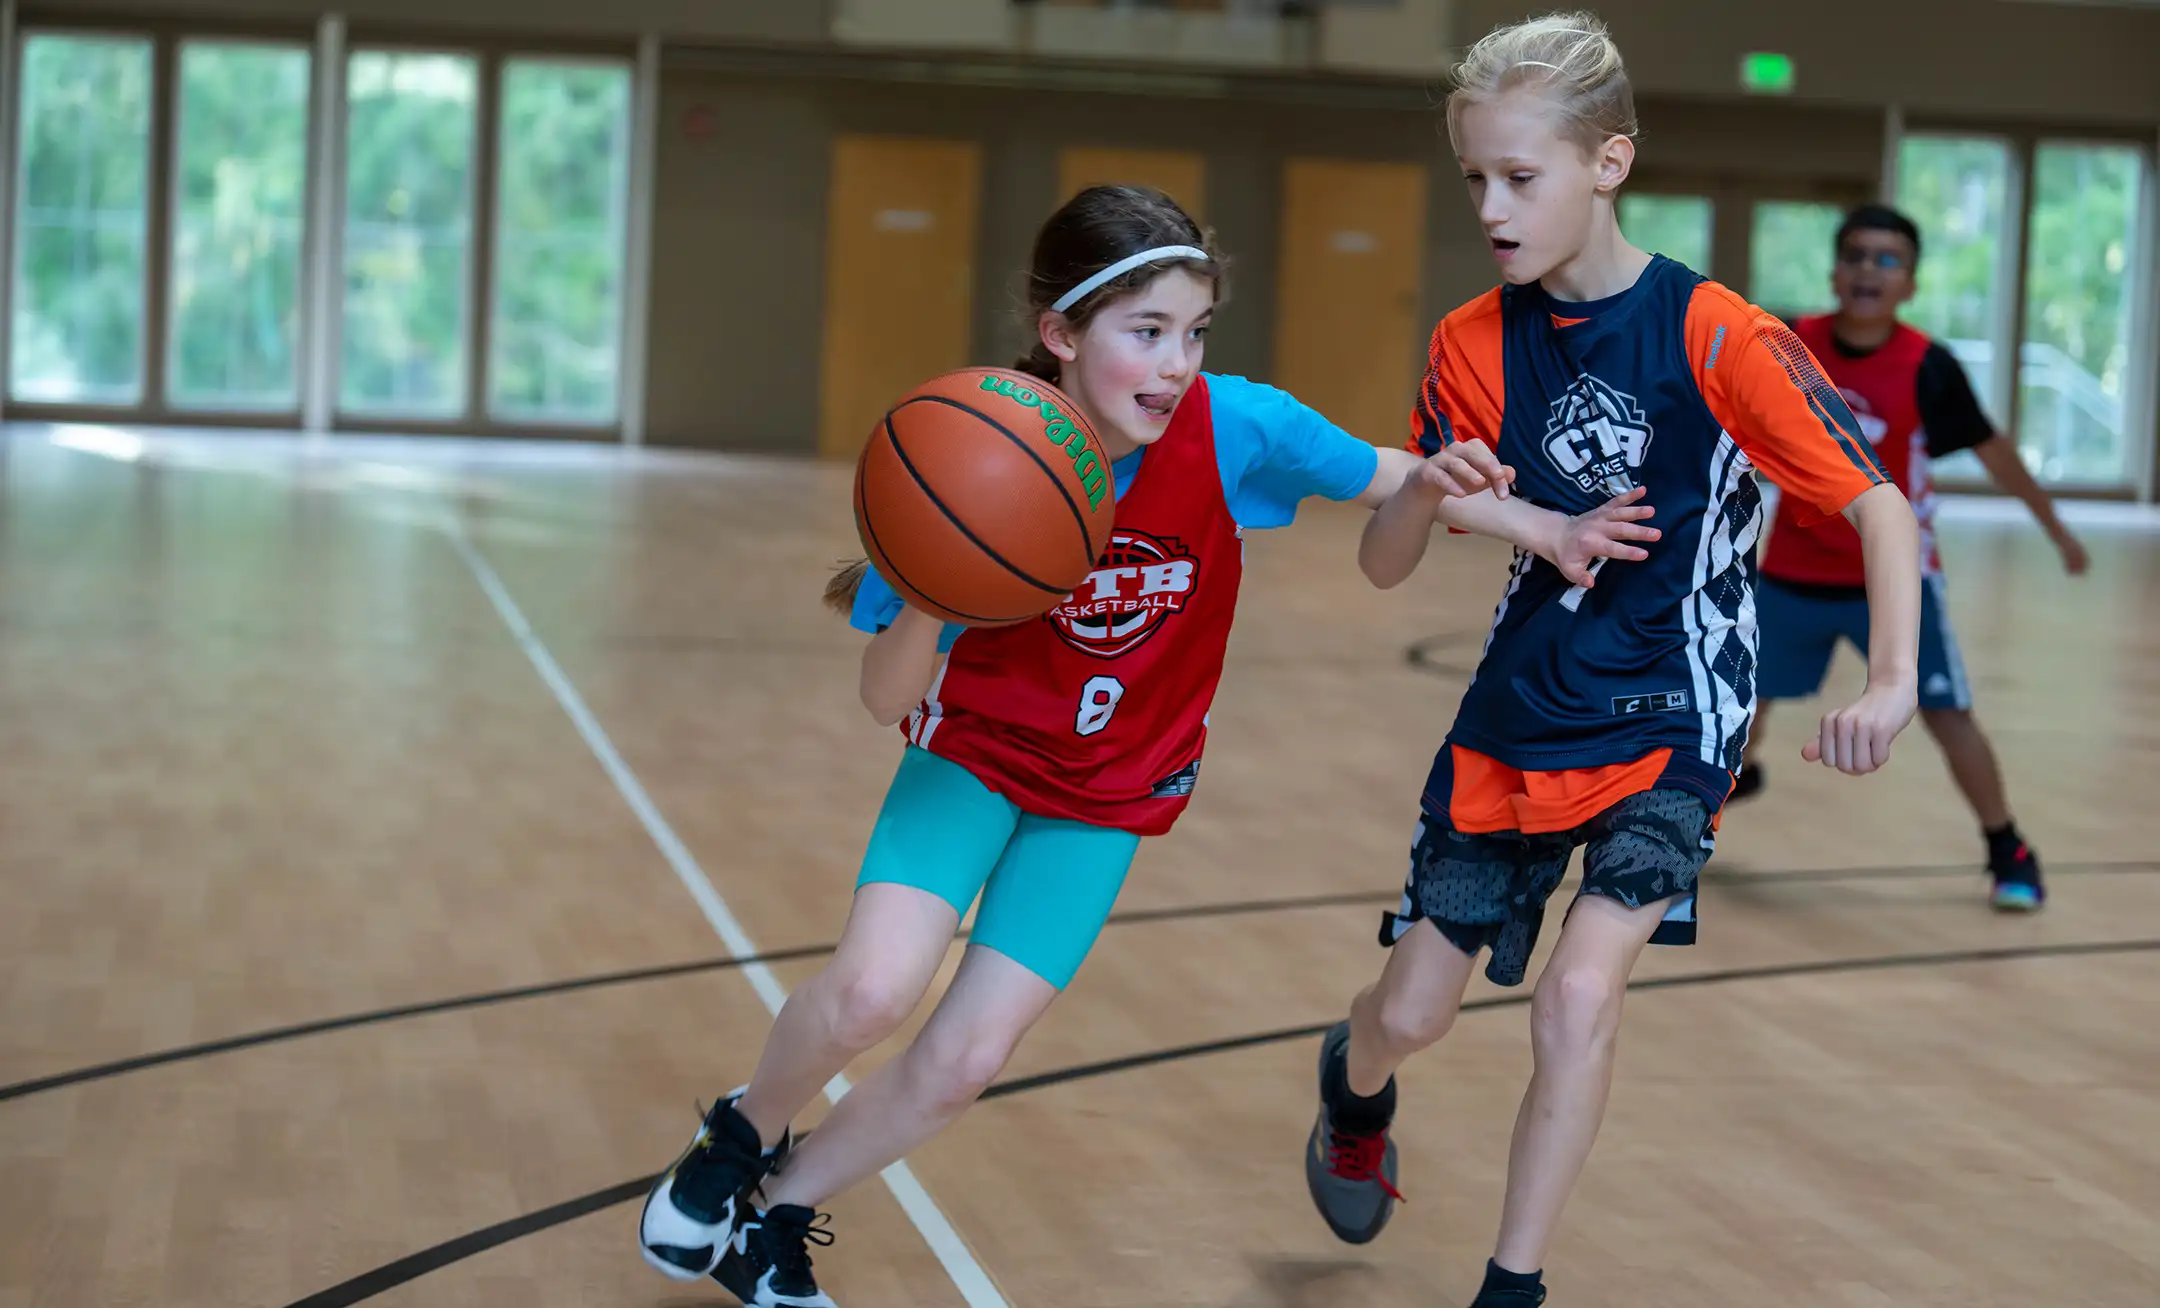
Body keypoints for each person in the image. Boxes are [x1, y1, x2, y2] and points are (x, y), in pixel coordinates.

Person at [634, 184, 1524, 1308]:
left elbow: (1399, 477)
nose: (1174, 365)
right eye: (1145, 334)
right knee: (870, 995)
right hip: (976, 760)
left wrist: (1546, 526)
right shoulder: (980, 454)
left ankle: (783, 1213)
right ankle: (739, 1133)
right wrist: (927, 587)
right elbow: (882, 700)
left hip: (1109, 793)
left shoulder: (1235, 425)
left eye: (1194, 334)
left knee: (963, 1063)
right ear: (1061, 334)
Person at [1301, 15, 1924, 1307]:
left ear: (1609, 164)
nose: (1492, 205)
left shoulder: (1720, 337)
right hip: (1518, 711)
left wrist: (1893, 680)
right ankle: (1352, 1090)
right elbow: (1386, 560)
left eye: (1521, 179)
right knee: (1409, 1015)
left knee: (1579, 996)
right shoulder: (1472, 342)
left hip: (1676, 716)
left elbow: (1878, 506)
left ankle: (1511, 1286)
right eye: (1475, 178)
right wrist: (1426, 492)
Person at [1736, 202, 2088, 912]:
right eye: (1857, 256)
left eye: (1887, 259)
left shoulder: (1929, 365)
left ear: (1911, 283)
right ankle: (1699, 815)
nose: (1870, 270)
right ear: (1835, 271)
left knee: (1946, 713)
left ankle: (2008, 848)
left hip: (1891, 581)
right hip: (1791, 573)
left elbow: (1997, 455)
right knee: (1735, 709)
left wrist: (2056, 529)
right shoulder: (1785, 342)